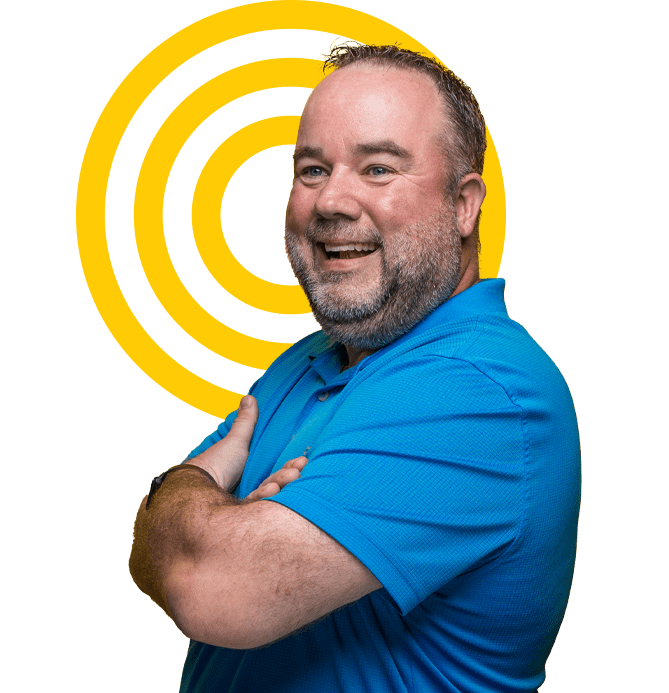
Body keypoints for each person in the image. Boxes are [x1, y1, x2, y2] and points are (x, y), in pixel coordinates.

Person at [129, 44, 580, 693]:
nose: (331, 201)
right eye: (312, 169)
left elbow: (204, 585)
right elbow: (150, 556)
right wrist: (202, 517)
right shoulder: (302, 363)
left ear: (464, 204)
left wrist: (187, 490)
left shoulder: (479, 387)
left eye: (378, 168)